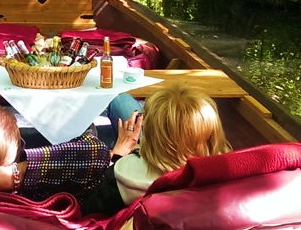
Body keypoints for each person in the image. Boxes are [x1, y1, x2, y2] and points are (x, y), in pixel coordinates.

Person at [82, 83, 232, 215]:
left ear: (149, 133)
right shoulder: (226, 173)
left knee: (121, 98)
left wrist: (117, 154)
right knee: (123, 100)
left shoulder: (124, 177)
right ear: (212, 134)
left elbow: (88, 209)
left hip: (132, 162)